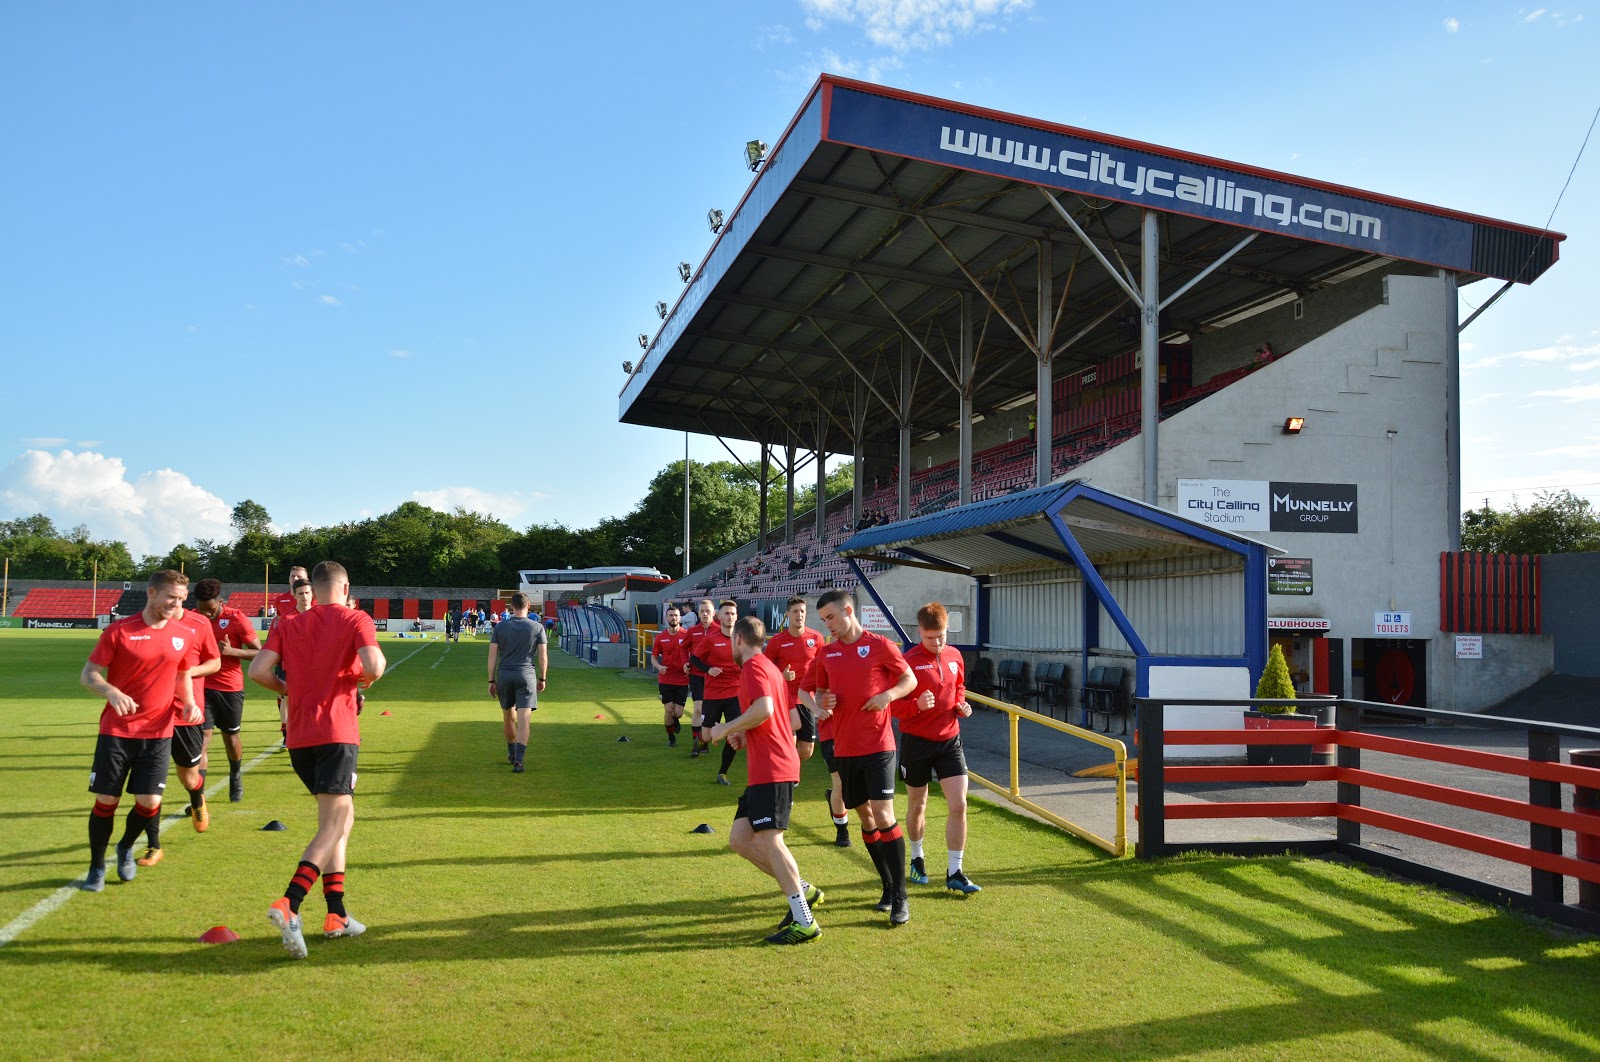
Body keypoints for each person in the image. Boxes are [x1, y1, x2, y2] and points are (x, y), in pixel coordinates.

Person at [249, 561, 386, 958]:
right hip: (337, 733)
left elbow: (259, 671)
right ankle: (290, 903)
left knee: (340, 821)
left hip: (299, 738)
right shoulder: (355, 617)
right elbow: (375, 665)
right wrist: (366, 681)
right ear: (345, 587)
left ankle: (337, 913)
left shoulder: (288, 622)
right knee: (335, 823)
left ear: (317, 588)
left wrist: (290, 690)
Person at [76, 570, 206, 891]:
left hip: (159, 732)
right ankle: (95, 867)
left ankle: (125, 848)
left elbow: (182, 672)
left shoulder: (183, 633)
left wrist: (188, 701)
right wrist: (111, 691)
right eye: (170, 598)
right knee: (107, 799)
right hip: (117, 731)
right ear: (151, 593)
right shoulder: (119, 631)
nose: (176, 604)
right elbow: (89, 673)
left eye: (181, 599)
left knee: (149, 802)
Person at [702, 616, 822, 945]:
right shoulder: (769, 667)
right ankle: (804, 890)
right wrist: (743, 731)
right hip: (764, 767)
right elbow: (779, 716)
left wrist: (726, 728)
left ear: (738, 640)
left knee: (771, 841)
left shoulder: (755, 668)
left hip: (774, 768)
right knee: (740, 840)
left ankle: (804, 921)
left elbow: (766, 708)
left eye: (730, 640)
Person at [811, 588, 917, 925]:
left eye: (830, 617)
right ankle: (887, 886)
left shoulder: (881, 645)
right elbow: (819, 692)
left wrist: (887, 695)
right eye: (823, 620)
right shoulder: (827, 654)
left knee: (884, 815)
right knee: (867, 820)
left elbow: (909, 679)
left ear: (847, 610)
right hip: (844, 748)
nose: (828, 625)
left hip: (879, 746)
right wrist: (823, 702)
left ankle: (901, 896)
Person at [893, 602, 981, 894]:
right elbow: (892, 705)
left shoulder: (955, 655)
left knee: (959, 804)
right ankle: (917, 857)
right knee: (918, 804)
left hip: (949, 740)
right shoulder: (907, 661)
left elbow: (958, 686)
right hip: (916, 743)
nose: (937, 642)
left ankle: (955, 871)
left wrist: (961, 704)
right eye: (931, 637)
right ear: (919, 632)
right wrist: (915, 706)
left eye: (941, 635)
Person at [136, 598, 221, 865]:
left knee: (188, 777)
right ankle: (153, 845)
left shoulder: (199, 623)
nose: (171, 601)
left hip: (186, 714)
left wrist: (186, 670)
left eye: (177, 595)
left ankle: (197, 798)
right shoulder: (145, 625)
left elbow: (215, 662)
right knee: (150, 785)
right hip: (152, 715)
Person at [488, 592, 548, 773]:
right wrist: (542, 678)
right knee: (524, 719)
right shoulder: (537, 627)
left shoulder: (500, 627)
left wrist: (491, 680)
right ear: (528, 606)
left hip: (505, 674)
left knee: (508, 717)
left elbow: (492, 657)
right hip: (526, 675)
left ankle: (512, 752)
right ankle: (519, 761)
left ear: (511, 607)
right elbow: (543, 656)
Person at [762, 596, 821, 764]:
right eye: (795, 611)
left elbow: (824, 667)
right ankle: (788, 776)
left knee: (807, 750)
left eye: (802, 611)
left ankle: (788, 767)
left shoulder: (816, 638)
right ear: (787, 614)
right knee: (789, 741)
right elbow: (765, 671)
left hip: (806, 700)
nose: (799, 615)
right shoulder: (777, 641)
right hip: (785, 700)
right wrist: (782, 676)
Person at [689, 600, 742, 785]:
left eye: (733, 614)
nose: (730, 617)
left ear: (737, 616)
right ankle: (700, 741)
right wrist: (708, 669)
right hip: (713, 694)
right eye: (726, 613)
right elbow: (694, 659)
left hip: (735, 692)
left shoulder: (742, 639)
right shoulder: (711, 638)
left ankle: (722, 772)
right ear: (719, 617)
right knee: (709, 734)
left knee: (734, 733)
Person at [272, 575, 315, 749]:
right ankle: (288, 736)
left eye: (307, 593)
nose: (304, 597)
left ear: (312, 594)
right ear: (294, 595)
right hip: (291, 668)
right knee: (289, 703)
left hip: (315, 669)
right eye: (300, 594)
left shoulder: (320, 614)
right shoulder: (287, 619)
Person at [651, 604, 691, 747]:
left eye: (676, 615)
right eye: (670, 615)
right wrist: (659, 666)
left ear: (680, 618)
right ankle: (671, 738)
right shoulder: (661, 638)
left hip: (682, 679)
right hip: (666, 679)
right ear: (666, 618)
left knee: (678, 713)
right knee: (668, 709)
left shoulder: (686, 635)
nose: (673, 618)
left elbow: (694, 654)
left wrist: (689, 665)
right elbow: (653, 657)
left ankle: (676, 720)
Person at [685, 598, 714, 755]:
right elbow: (683, 648)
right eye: (702, 611)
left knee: (708, 712)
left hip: (714, 678)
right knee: (697, 709)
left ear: (713, 613)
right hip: (696, 675)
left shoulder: (719, 630)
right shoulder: (692, 631)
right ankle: (697, 743)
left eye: (707, 611)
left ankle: (705, 739)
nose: (704, 614)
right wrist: (685, 663)